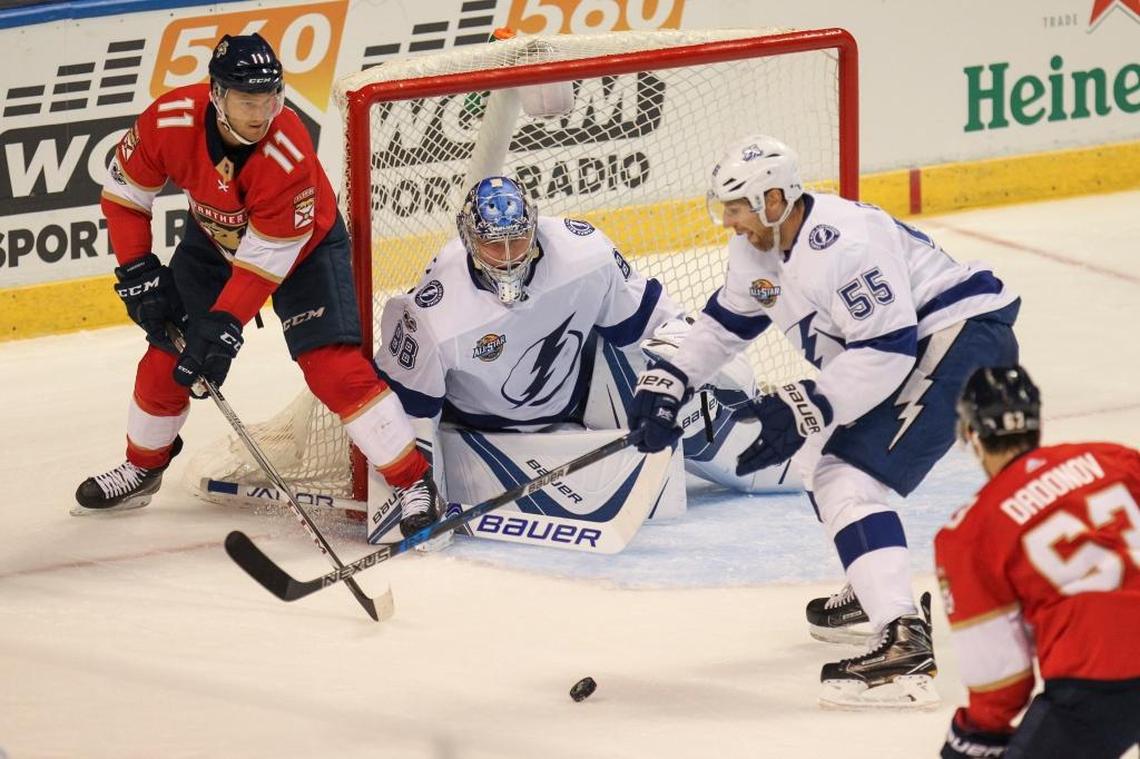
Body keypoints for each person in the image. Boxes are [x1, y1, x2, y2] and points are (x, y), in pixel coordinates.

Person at [629, 134, 1022, 708]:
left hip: (959, 339)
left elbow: (889, 348)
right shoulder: (758, 250)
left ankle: (904, 645)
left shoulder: (843, 243)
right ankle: (874, 585)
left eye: (737, 208)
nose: (729, 222)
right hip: (915, 348)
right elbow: (724, 323)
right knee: (820, 464)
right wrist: (670, 379)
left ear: (773, 199)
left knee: (845, 474)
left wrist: (806, 402)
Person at [75, 33, 440, 541]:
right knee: (166, 360)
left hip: (305, 253)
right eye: (248, 100)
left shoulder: (286, 154)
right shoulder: (169, 120)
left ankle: (413, 482)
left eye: (270, 98)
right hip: (213, 242)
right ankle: (142, 468)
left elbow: (262, 265)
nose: (261, 112)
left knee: (334, 370)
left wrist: (222, 329)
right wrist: (137, 271)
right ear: (216, 95)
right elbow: (124, 193)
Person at [369, 175, 800, 545]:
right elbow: (410, 408)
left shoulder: (583, 251)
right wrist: (416, 484)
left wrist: (693, 362)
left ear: (534, 228)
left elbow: (647, 320)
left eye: (517, 239)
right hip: (487, 432)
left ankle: (772, 451)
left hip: (580, 394)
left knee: (671, 388)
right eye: (492, 245)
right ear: (468, 239)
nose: (508, 254)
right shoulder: (433, 309)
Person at [936, 365, 1140, 758]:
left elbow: (999, 682)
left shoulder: (968, 532)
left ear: (971, 435)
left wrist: (970, 739)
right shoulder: (1115, 459)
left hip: (1099, 680)